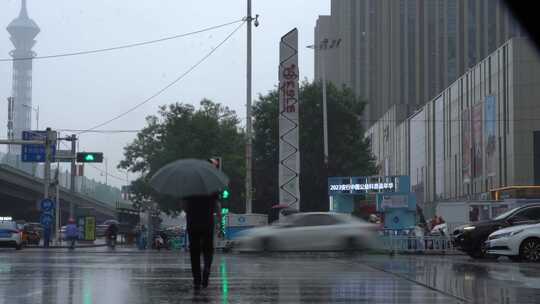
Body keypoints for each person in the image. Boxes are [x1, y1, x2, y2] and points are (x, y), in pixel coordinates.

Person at [184, 193, 220, 290]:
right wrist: (220, 219)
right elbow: (217, 205)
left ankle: (197, 279)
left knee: (194, 252)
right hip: (208, 223)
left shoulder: (189, 188)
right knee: (208, 249)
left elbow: (185, 207)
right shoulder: (211, 187)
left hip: (193, 224)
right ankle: (207, 268)